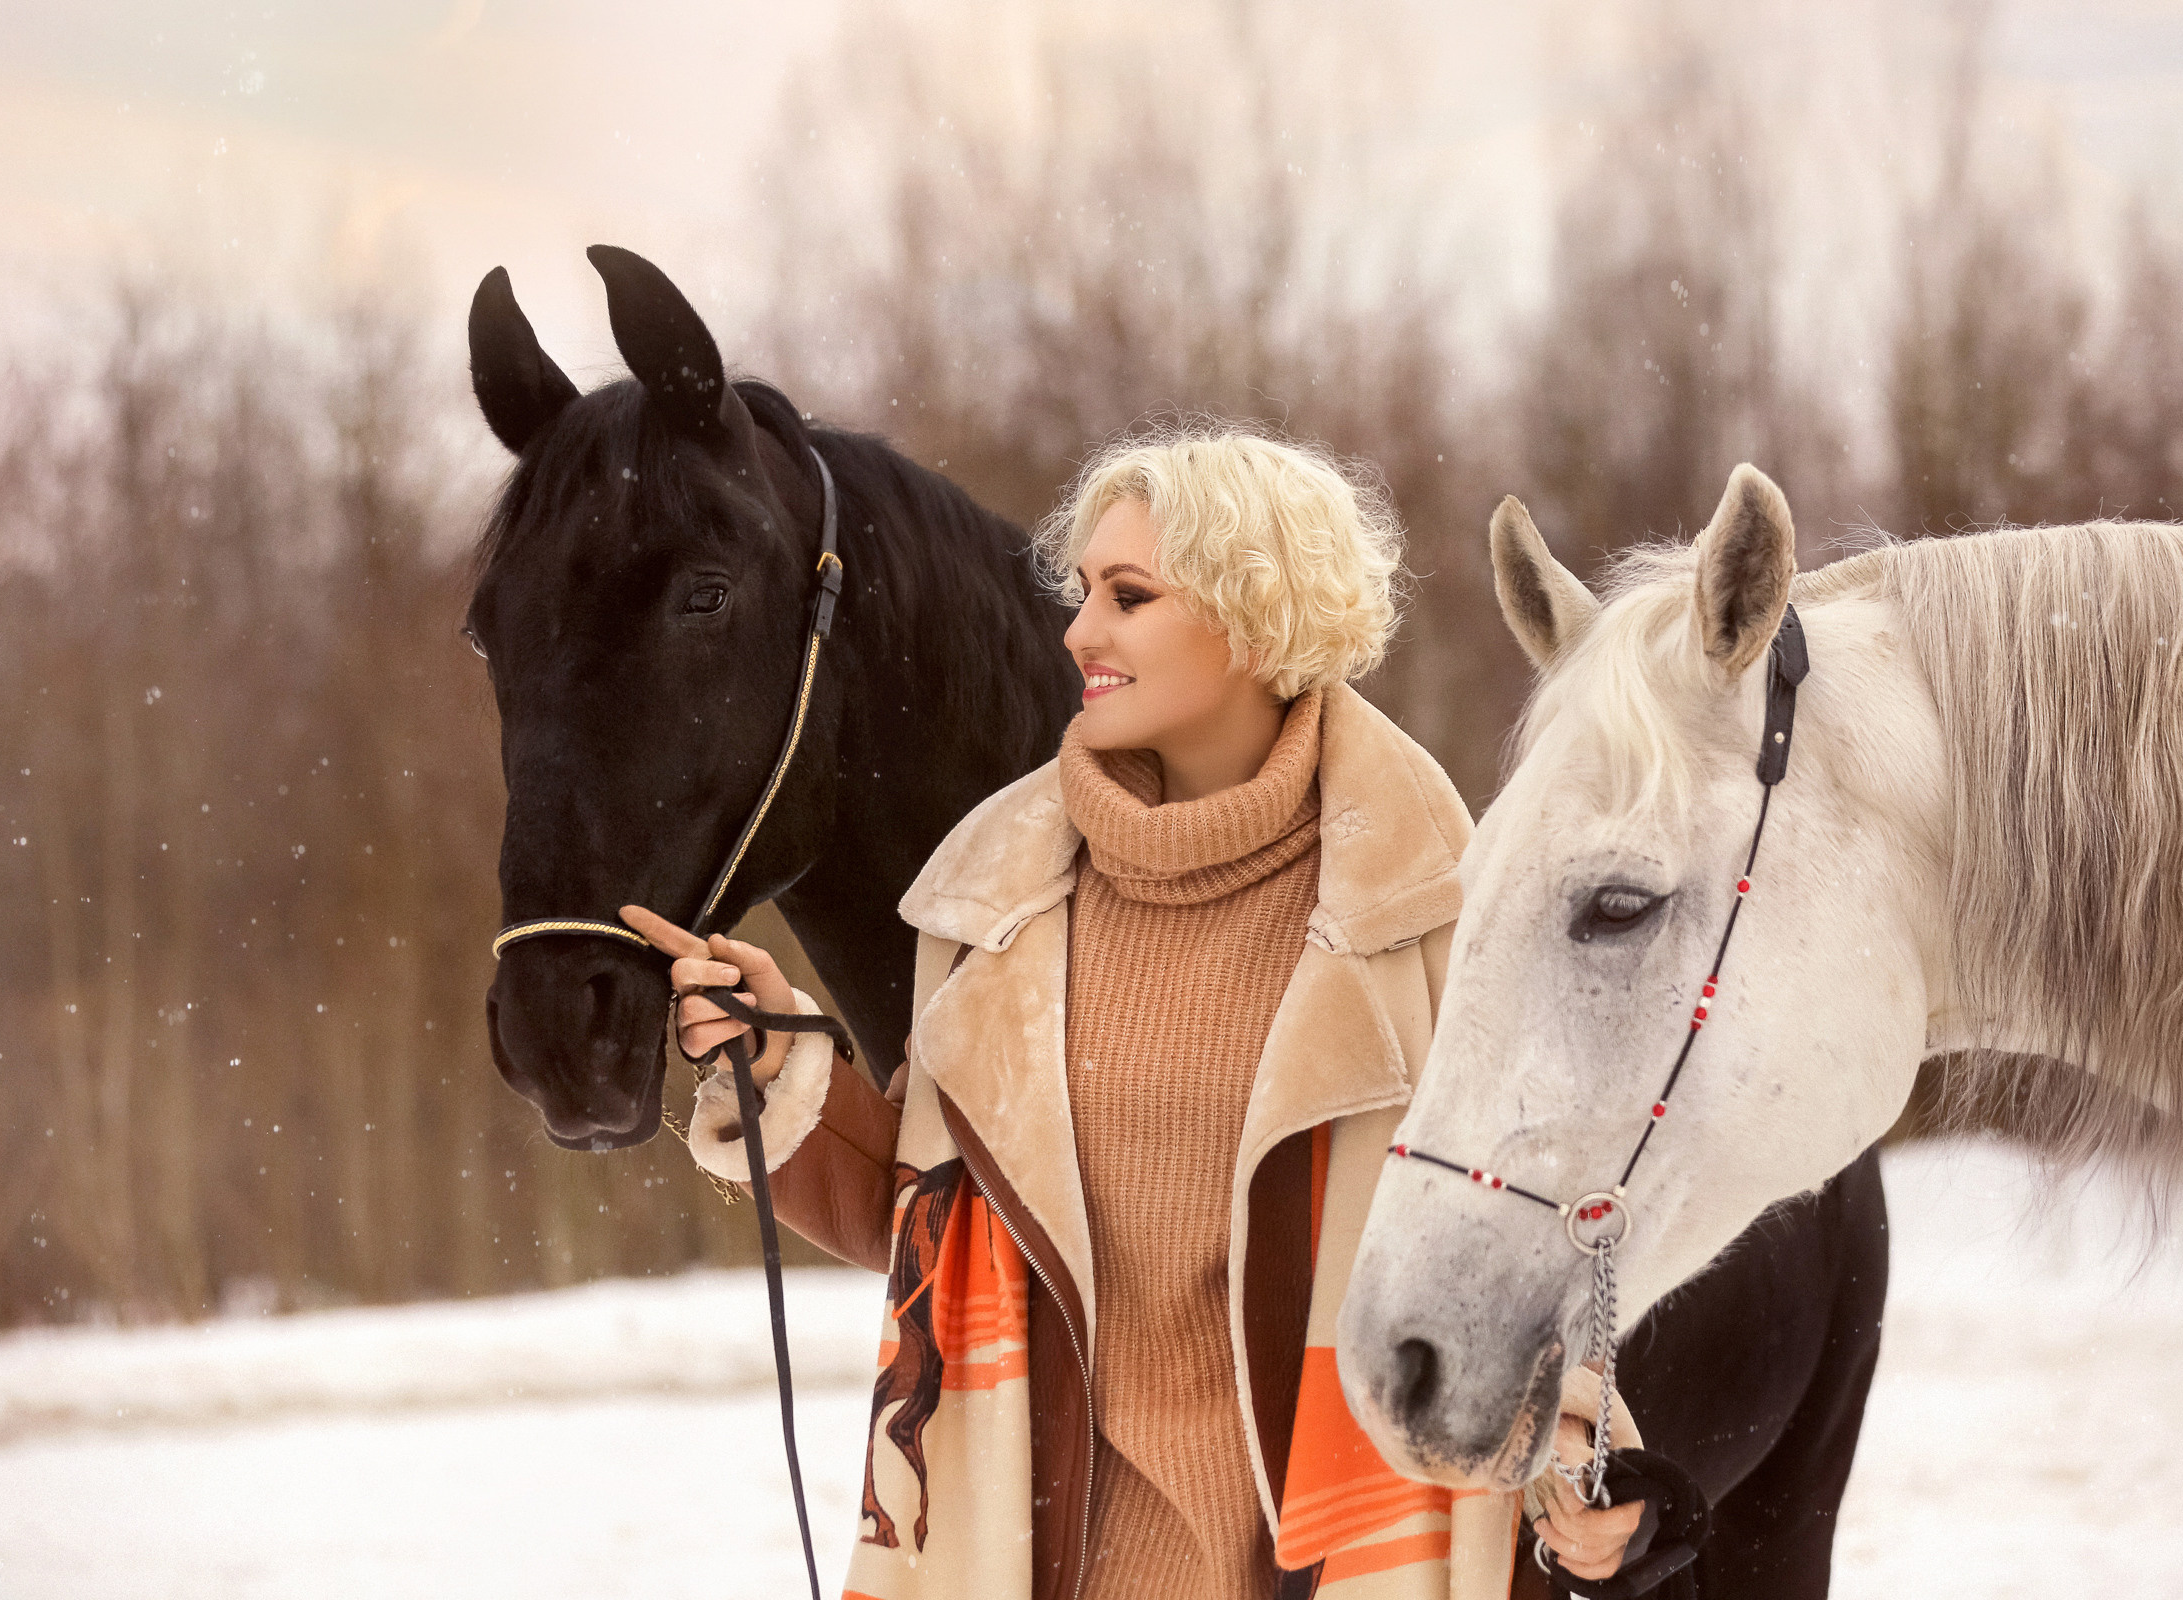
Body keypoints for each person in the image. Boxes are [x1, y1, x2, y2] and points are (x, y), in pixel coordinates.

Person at [620, 423, 1644, 1598]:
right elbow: (932, 1238)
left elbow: (1530, 1240)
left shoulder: (1429, 904)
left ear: (1255, 618)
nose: (1078, 631)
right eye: (1083, 591)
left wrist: (1584, 1462)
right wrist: (777, 1059)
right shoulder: (994, 902)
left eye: (1128, 595)